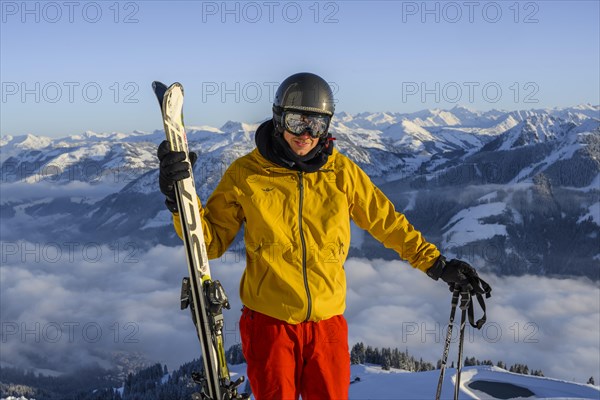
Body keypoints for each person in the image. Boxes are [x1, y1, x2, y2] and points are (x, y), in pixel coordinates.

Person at [157, 72, 484, 400]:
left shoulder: (341, 173)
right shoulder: (246, 174)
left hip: (327, 327)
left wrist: (436, 265)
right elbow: (210, 243)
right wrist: (179, 203)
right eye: (297, 122)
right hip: (269, 325)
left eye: (317, 124)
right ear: (278, 118)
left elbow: (388, 223)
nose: (306, 134)